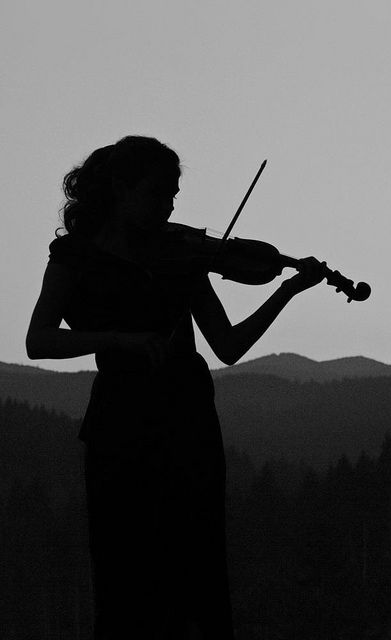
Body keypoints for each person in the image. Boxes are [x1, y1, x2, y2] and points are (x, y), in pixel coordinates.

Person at [25, 135, 326, 639]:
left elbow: (226, 346)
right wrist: (118, 340)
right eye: (157, 193)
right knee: (127, 575)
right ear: (120, 189)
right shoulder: (77, 257)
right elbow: (38, 341)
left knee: (197, 569)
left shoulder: (181, 257)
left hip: (188, 422)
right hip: (120, 427)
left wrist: (286, 292)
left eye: (173, 195)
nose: (168, 207)